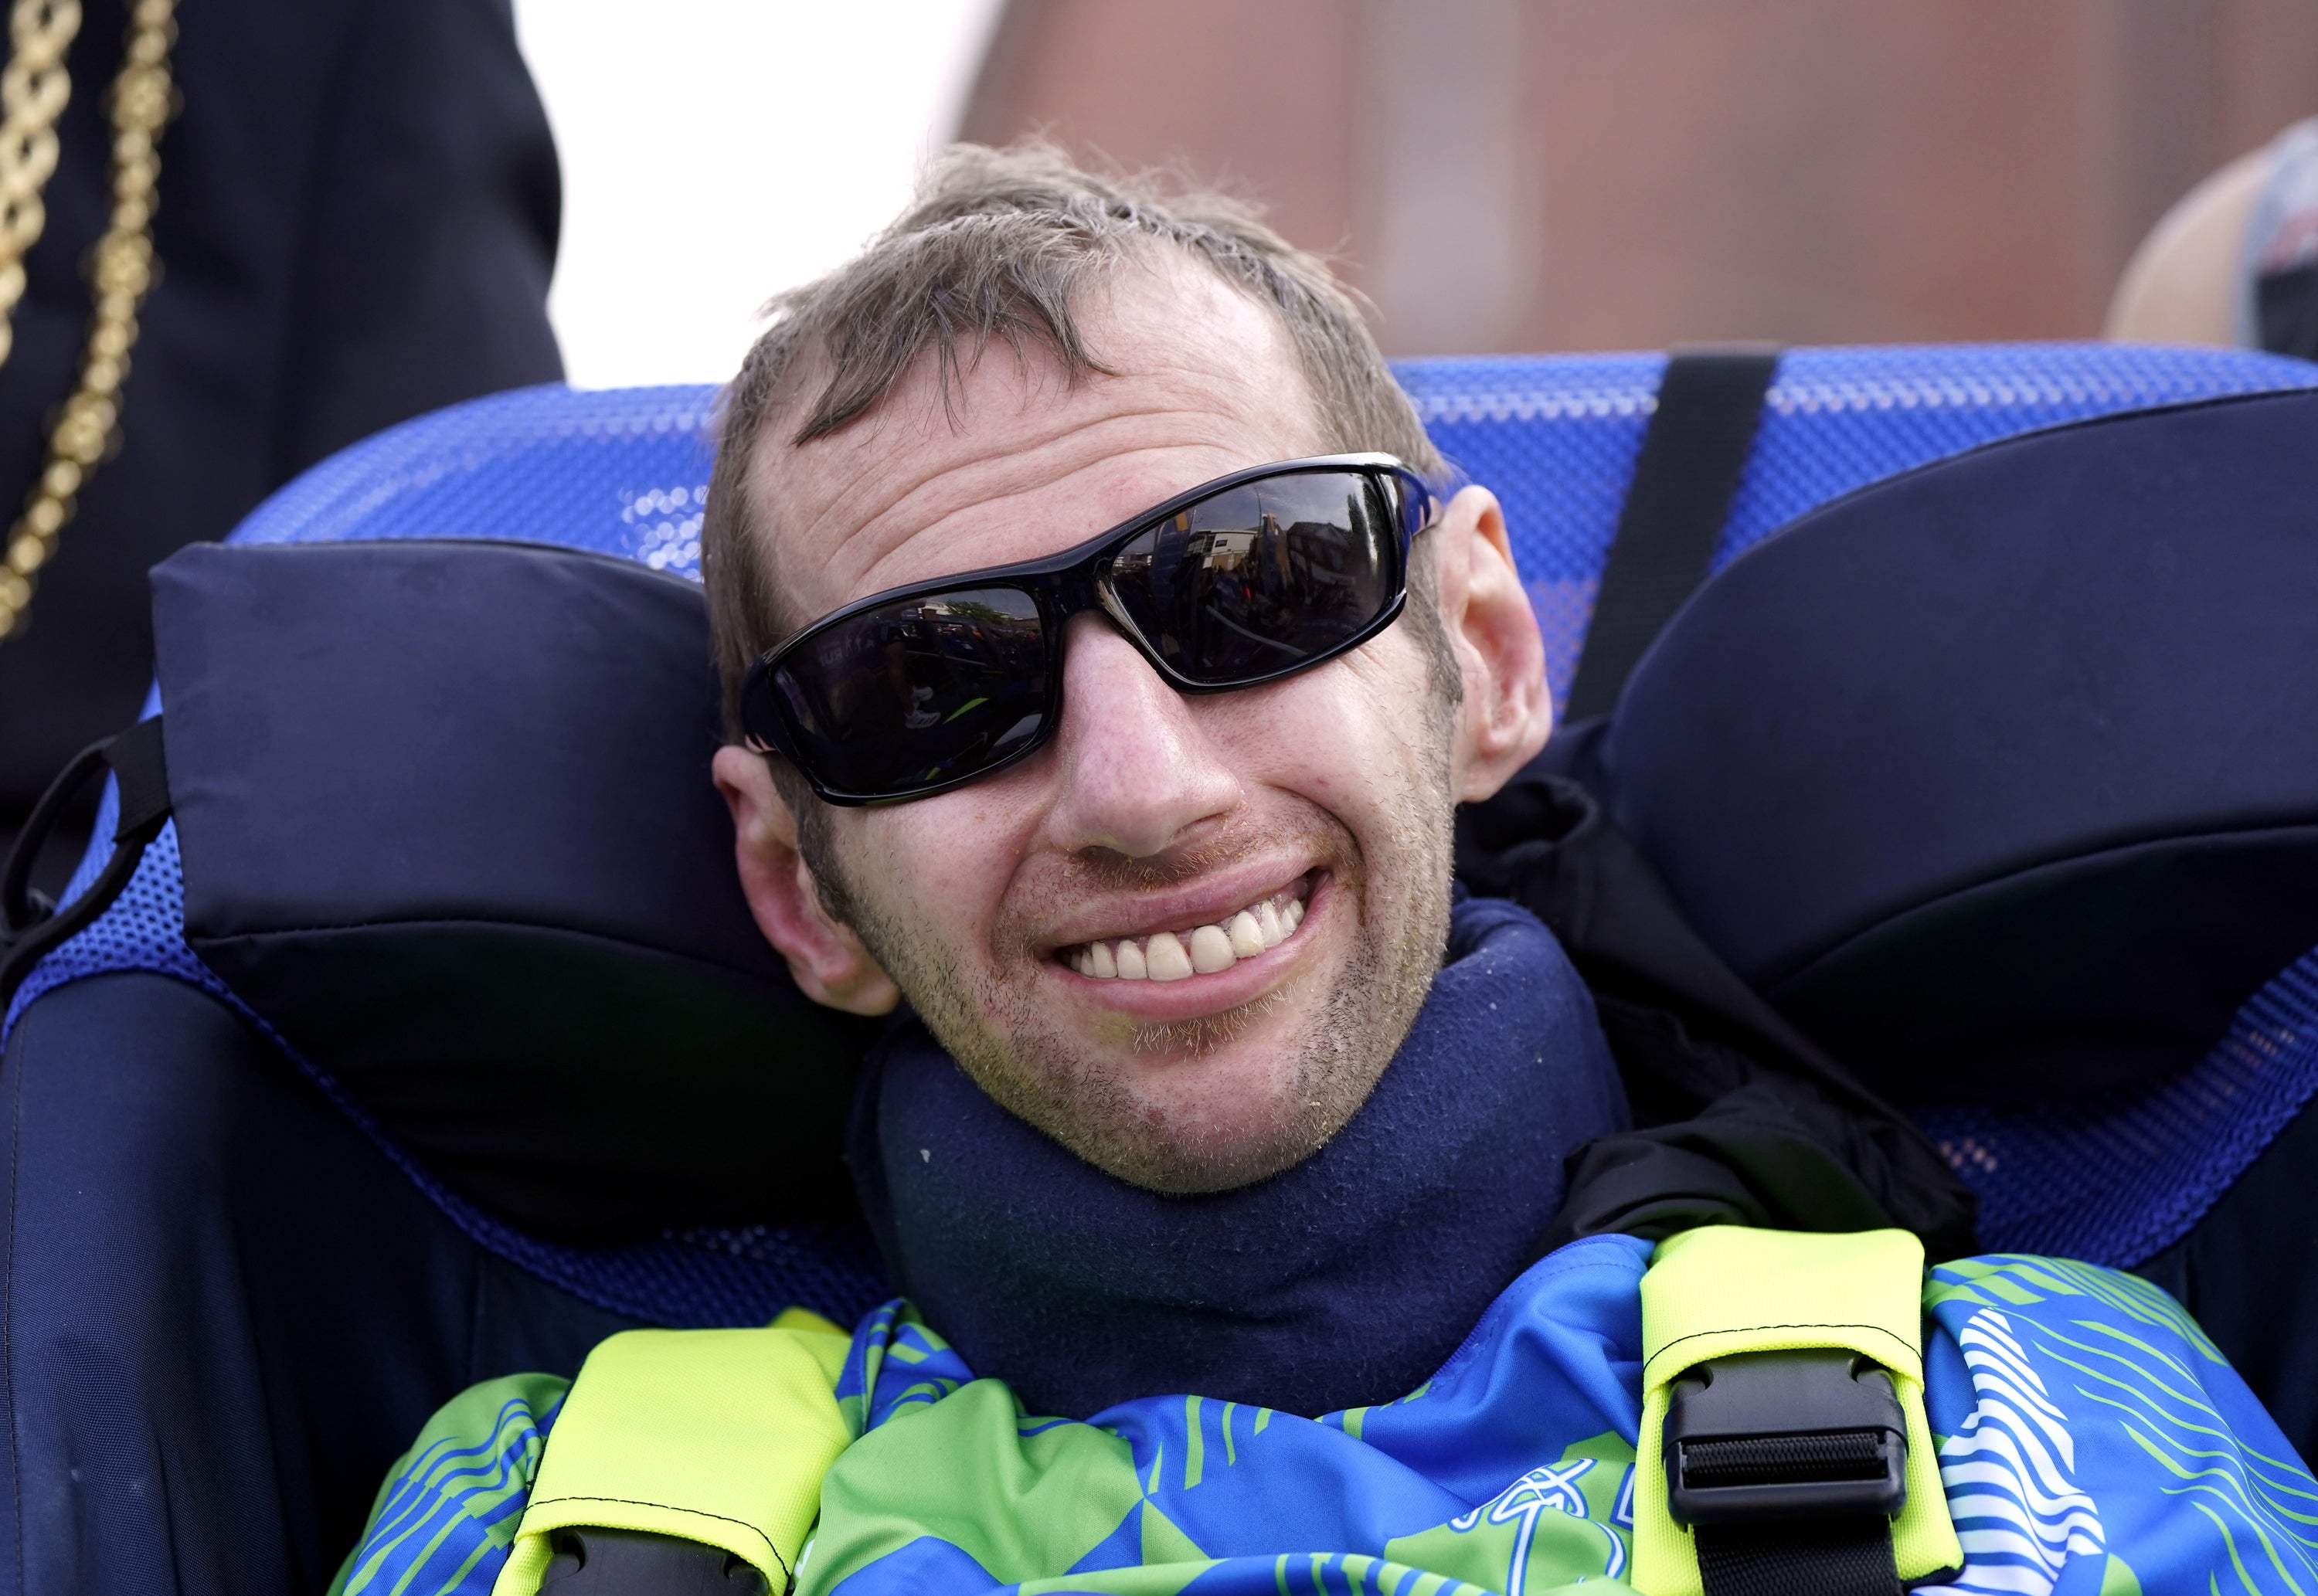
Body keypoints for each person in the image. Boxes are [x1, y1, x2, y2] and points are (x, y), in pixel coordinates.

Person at [330, 146, 2316, 1596]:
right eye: (929, 684)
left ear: (1485, 664)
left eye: (1256, 586)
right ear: (797, 889)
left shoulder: (2034, 1414)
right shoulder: (533, 1522)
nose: (1139, 784)